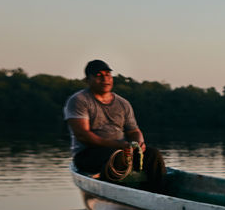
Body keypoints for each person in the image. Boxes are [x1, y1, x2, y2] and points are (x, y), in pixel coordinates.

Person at [64, 59, 165, 187]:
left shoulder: (123, 103)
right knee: (116, 156)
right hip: (88, 154)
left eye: (107, 75)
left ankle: (158, 194)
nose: (105, 79)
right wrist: (119, 145)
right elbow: (83, 135)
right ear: (87, 80)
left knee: (153, 154)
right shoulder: (79, 100)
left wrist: (139, 144)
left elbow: (133, 131)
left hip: (122, 150)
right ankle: (115, 192)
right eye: (98, 76)